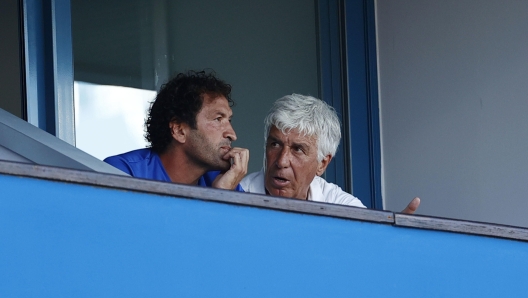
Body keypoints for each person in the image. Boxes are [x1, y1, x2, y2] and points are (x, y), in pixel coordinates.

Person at [240, 94, 420, 213]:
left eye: (298, 149)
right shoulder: (237, 195)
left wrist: (394, 239)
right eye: (275, 144)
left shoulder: (337, 204)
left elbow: (372, 244)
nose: (282, 161)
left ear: (322, 164)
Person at [105, 70, 249, 191]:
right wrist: (219, 199)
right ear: (179, 130)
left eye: (228, 120)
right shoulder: (123, 172)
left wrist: (223, 195)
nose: (232, 134)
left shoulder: (224, 181)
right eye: (218, 119)